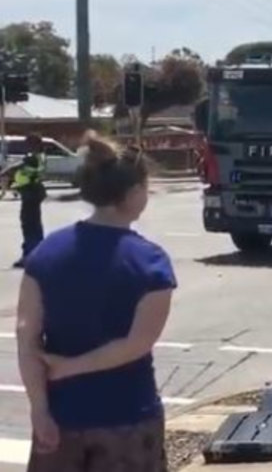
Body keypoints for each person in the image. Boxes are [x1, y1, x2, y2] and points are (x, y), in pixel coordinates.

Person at [15, 131, 175, 472]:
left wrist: (39, 410)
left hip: (60, 417)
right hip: (128, 415)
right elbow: (137, 344)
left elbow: (26, 335)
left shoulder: (45, 255)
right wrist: (71, 367)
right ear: (133, 195)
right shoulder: (151, 262)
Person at [4, 134, 48, 268]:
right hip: (33, 192)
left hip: (31, 192)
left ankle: (30, 256)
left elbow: (15, 167)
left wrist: (3, 173)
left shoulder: (32, 158)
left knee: (29, 225)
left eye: (27, 143)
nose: (25, 145)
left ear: (33, 144)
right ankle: (36, 255)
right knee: (34, 225)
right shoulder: (40, 156)